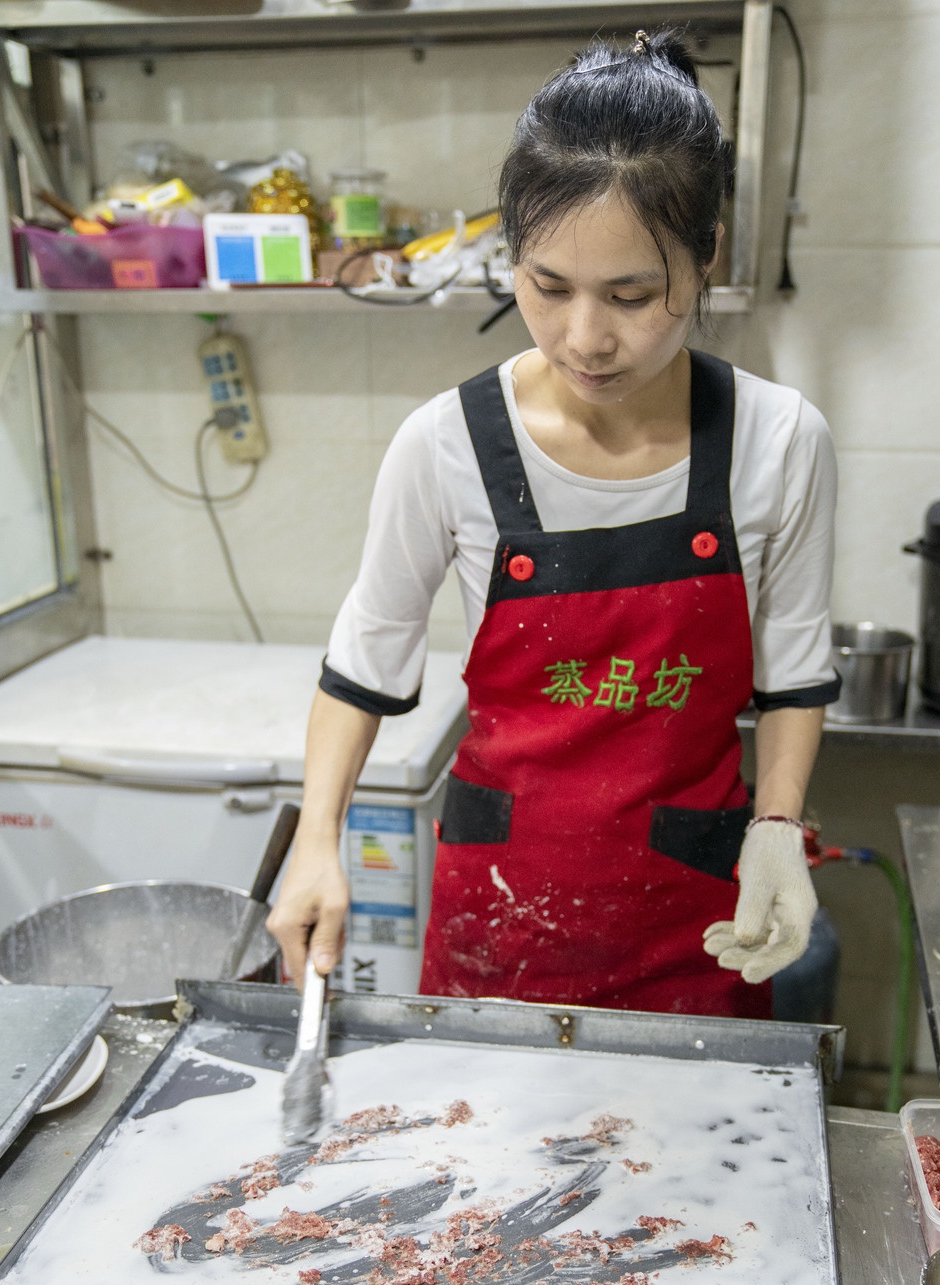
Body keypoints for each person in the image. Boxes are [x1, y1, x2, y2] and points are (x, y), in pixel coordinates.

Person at [268, 27, 839, 1019]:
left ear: (707, 256)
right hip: (498, 913)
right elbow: (363, 662)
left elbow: (791, 672)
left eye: (632, 295)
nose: (587, 337)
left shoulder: (777, 439)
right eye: (547, 286)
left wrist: (779, 828)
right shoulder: (444, 445)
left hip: (693, 910)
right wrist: (317, 837)